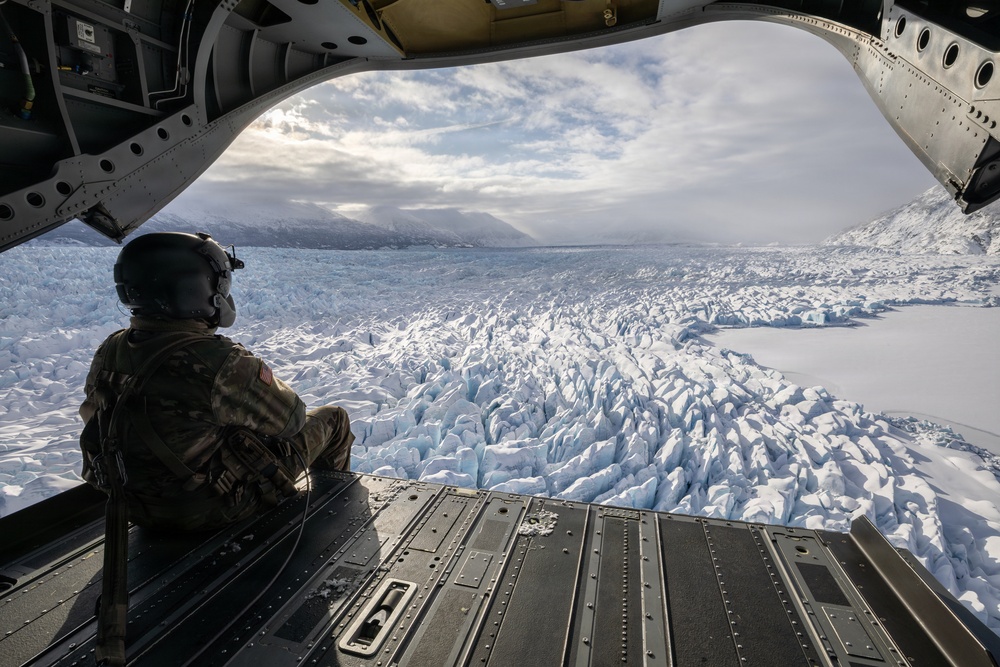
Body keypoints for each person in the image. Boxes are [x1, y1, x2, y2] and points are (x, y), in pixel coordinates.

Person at [79, 231, 354, 532]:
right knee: (334, 419)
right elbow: (292, 420)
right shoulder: (218, 361)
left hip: (132, 507)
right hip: (207, 510)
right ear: (197, 289)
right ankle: (335, 518)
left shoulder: (111, 349)